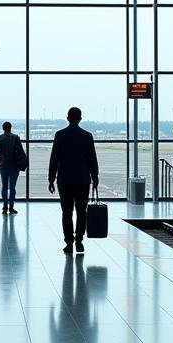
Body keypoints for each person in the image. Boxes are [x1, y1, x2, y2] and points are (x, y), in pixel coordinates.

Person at [48, 106, 99, 254]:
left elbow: (54, 159)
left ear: (68, 118)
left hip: (64, 180)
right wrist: (95, 177)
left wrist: (51, 179)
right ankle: (79, 241)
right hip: (83, 180)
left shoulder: (60, 135)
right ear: (80, 118)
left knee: (66, 212)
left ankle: (69, 242)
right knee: (82, 211)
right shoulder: (87, 136)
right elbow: (92, 159)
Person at [0, 121, 25, 215]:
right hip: (14, 165)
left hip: (3, 165)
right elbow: (20, 151)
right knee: (12, 187)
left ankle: (5, 205)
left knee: (4, 186)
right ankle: (11, 206)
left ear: (3, 128)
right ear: (10, 127)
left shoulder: (0, 138)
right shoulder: (16, 137)